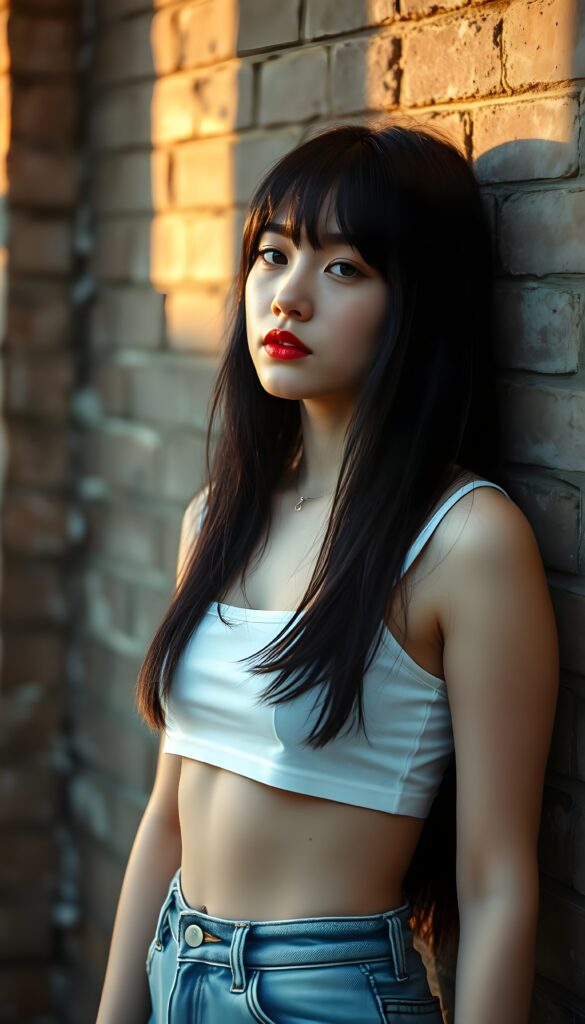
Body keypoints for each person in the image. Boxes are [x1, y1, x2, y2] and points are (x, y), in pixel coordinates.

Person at [96, 116, 559, 1024]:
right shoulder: (217, 518)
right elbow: (166, 817)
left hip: (324, 996)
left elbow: (496, 879)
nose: (287, 297)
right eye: (271, 255)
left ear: (417, 303)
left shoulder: (463, 541)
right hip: (173, 969)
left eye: (342, 268)